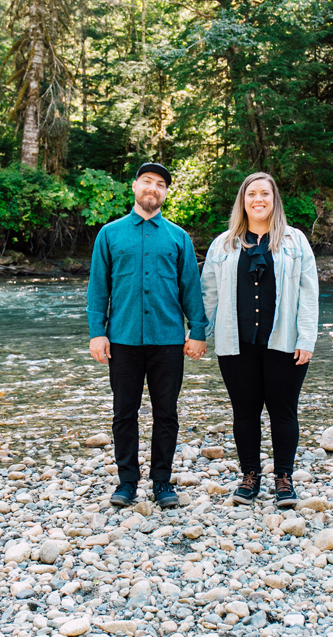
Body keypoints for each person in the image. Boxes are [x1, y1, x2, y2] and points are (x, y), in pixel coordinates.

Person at [86, 162, 208, 509]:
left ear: (165, 193)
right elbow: (98, 288)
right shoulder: (109, 234)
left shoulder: (178, 237)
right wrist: (98, 332)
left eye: (160, 184)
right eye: (147, 182)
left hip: (168, 339)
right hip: (122, 338)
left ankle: (162, 482)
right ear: (135, 186)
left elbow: (190, 289)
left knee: (166, 413)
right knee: (124, 412)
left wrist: (197, 330)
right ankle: (126, 483)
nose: (153, 188)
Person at [201, 172, 319, 508]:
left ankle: (284, 478)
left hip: (284, 342)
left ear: (274, 199)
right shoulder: (223, 244)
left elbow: (309, 294)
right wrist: (200, 334)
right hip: (236, 344)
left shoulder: (295, 242)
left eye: (264, 194)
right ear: (243, 201)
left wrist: (307, 338)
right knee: (245, 412)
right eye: (251, 194)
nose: (258, 200)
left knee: (283, 411)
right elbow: (208, 293)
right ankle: (250, 476)